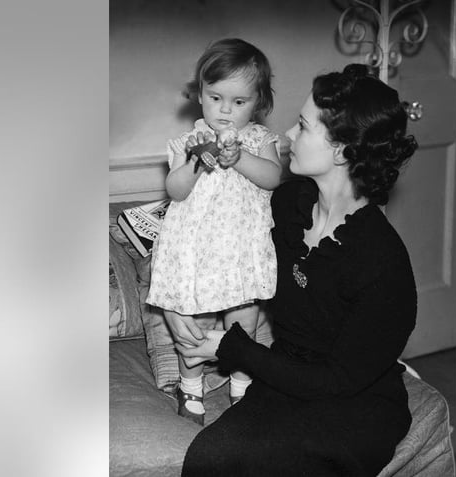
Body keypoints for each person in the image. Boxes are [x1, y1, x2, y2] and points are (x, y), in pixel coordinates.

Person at [172, 63, 419, 476]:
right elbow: (218, 247)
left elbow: (335, 380)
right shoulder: (288, 205)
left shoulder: (382, 261)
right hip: (285, 381)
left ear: (341, 149)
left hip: (354, 403)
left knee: (280, 466)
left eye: (303, 126)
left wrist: (232, 349)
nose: (288, 134)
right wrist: (180, 302)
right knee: (206, 459)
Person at [145, 38, 282, 425]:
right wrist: (195, 162)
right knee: (195, 324)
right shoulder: (189, 141)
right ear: (200, 96)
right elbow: (175, 189)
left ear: (258, 103)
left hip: (241, 253)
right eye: (216, 97)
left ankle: (242, 387)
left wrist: (240, 159)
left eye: (239, 102)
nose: (226, 110)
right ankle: (191, 387)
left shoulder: (259, 140)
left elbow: (272, 178)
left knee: (245, 323)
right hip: (197, 254)